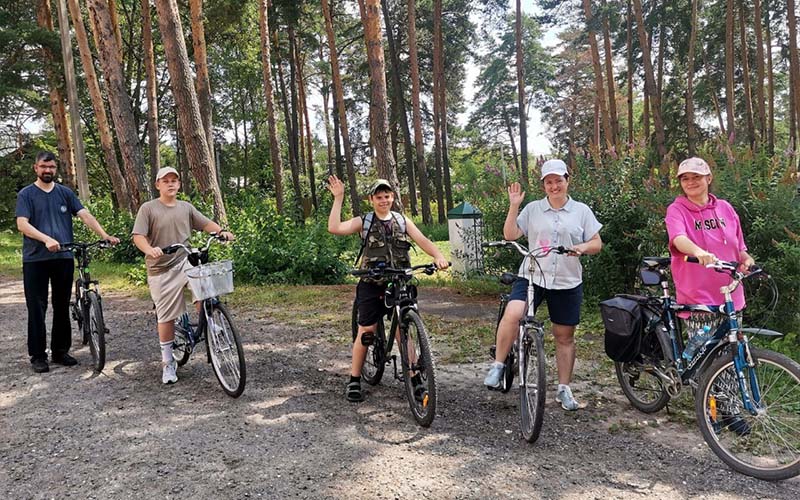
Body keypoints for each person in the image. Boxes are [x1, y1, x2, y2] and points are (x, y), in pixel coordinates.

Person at [483, 159, 602, 411]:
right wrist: (514, 206)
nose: (554, 185)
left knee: (564, 336)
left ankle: (563, 389)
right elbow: (510, 234)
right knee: (513, 313)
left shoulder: (581, 211)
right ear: (543, 185)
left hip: (567, 280)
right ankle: (498, 365)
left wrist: (582, 247)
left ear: (567, 181)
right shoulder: (533, 209)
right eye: (549, 182)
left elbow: (597, 243)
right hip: (533, 274)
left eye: (558, 180)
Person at [327, 175, 449, 402]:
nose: (384, 200)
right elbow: (334, 227)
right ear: (371, 199)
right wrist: (338, 198)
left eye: (387, 196)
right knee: (367, 330)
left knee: (405, 331)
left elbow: (424, 241)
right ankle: (354, 379)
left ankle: (415, 378)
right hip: (371, 284)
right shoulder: (364, 221)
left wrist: (439, 255)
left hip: (400, 282)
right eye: (379, 197)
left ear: (393, 197)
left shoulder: (403, 222)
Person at [15, 151, 120, 373]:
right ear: (36, 168)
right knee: (37, 307)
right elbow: (22, 224)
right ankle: (38, 356)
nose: (48, 170)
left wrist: (104, 234)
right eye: (44, 166)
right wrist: (46, 239)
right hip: (36, 259)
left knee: (61, 306)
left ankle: (60, 352)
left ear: (56, 169)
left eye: (51, 167)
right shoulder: (26, 194)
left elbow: (84, 214)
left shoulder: (65, 193)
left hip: (63, 257)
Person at [132, 167, 234, 385]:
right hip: (161, 268)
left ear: (179, 184)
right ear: (157, 184)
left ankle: (209, 321)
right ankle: (168, 362)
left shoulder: (186, 208)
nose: (170, 184)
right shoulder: (148, 209)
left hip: (184, 259)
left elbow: (206, 224)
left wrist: (221, 232)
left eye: (174, 180)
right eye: (165, 180)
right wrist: (149, 249)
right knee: (166, 316)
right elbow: (138, 236)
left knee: (201, 279)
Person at [665, 156, 754, 310]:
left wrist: (747, 262)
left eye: (696, 177)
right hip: (699, 300)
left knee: (735, 335)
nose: (690, 182)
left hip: (732, 296)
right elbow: (678, 239)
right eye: (685, 178)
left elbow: (739, 249)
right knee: (707, 335)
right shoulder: (677, 210)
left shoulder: (725, 208)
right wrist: (698, 252)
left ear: (709, 178)